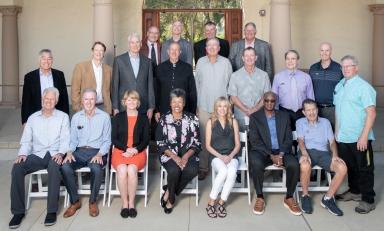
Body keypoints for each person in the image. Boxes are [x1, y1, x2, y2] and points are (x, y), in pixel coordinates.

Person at [9, 87, 70, 228]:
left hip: (55, 154)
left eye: (52, 99)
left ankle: (51, 211)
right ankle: (18, 212)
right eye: (46, 99)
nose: (48, 101)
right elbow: (26, 140)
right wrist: (22, 154)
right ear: (42, 100)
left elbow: (65, 139)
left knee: (54, 168)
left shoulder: (63, 117)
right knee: (17, 168)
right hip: (37, 154)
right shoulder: (32, 118)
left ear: (56, 101)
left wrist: (61, 153)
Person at [334, 55, 377, 214]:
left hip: (359, 137)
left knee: (364, 168)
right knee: (350, 167)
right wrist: (336, 133)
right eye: (343, 66)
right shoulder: (340, 86)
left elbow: (371, 113)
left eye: (349, 66)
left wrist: (364, 136)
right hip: (343, 136)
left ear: (356, 68)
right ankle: (354, 191)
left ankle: (368, 199)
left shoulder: (363, 87)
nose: (345, 69)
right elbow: (338, 111)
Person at [248, 91, 301, 216]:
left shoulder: (284, 116)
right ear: (263, 101)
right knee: (255, 162)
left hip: (281, 151)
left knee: (294, 164)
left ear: (275, 102)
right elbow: (254, 140)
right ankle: (260, 197)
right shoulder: (255, 117)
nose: (269, 103)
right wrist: (271, 155)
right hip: (263, 152)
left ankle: (289, 197)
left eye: (272, 101)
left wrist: (281, 154)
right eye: (267, 100)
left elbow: (288, 138)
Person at [61, 88, 111, 218]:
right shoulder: (76, 117)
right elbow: (72, 140)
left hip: (97, 151)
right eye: (86, 99)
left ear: (96, 100)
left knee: (96, 168)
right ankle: (75, 201)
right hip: (79, 151)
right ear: (82, 101)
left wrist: (100, 154)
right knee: (65, 166)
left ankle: (93, 201)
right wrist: (69, 152)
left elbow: (107, 140)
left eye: (92, 99)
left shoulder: (104, 117)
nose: (89, 102)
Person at [296, 99, 347, 216]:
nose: (311, 112)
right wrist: (304, 153)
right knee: (304, 165)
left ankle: (328, 199)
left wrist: (335, 155)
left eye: (313, 109)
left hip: (323, 153)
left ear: (317, 110)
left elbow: (332, 142)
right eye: (308, 110)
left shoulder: (325, 122)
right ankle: (305, 196)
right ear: (304, 112)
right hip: (307, 151)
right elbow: (301, 140)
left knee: (342, 168)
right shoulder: (300, 122)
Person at [156, 88, 201, 214]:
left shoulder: (192, 119)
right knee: (174, 170)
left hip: (188, 154)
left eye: (180, 102)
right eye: (174, 102)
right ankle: (171, 201)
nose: (177, 105)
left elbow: (197, 142)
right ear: (170, 103)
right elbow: (160, 143)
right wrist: (175, 157)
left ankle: (170, 190)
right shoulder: (164, 120)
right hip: (168, 155)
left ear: (184, 103)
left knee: (192, 169)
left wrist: (185, 156)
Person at [195, 37, 232, 180]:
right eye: (209, 45)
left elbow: (230, 85)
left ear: (219, 48)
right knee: (204, 138)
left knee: (223, 137)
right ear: (206, 48)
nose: (212, 47)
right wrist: (197, 106)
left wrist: (229, 106)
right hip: (203, 106)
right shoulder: (200, 62)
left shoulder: (226, 62)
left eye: (214, 45)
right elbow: (197, 84)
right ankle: (203, 167)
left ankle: (224, 166)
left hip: (221, 108)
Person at [112, 90, 149, 218]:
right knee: (122, 170)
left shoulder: (143, 118)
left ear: (138, 102)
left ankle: (132, 204)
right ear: (124, 102)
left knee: (132, 170)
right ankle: (125, 204)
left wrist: (135, 150)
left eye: (134, 99)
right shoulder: (118, 117)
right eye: (129, 99)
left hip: (138, 151)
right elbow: (114, 139)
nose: (131, 102)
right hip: (120, 150)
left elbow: (146, 140)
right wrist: (126, 149)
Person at [205, 97, 240, 218]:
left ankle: (221, 202)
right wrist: (221, 156)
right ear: (216, 108)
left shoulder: (233, 122)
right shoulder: (211, 122)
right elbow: (208, 146)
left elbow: (237, 145)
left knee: (232, 172)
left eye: (225, 106)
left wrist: (230, 156)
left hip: (232, 155)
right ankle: (211, 202)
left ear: (228, 108)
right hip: (216, 156)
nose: (222, 109)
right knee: (223, 171)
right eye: (220, 106)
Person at [112, 32, 155, 119]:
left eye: (137, 42)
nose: (135, 45)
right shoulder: (119, 60)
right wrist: (115, 107)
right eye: (132, 42)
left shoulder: (148, 62)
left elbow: (150, 85)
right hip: (124, 105)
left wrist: (151, 107)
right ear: (128, 44)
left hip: (143, 105)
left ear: (140, 43)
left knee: (141, 132)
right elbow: (115, 85)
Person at [21, 49, 69, 125]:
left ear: (52, 60)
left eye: (49, 59)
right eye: (43, 58)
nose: (46, 61)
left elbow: (64, 99)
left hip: (56, 115)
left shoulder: (59, 75)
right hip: (37, 115)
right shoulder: (29, 77)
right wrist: (25, 121)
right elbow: (26, 101)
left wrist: (66, 117)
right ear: (39, 60)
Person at [228, 47, 271, 130]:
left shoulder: (264, 75)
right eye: (246, 56)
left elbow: (266, 96)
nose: (249, 58)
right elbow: (233, 97)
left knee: (259, 141)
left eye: (252, 55)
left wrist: (254, 109)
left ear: (256, 58)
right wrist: (246, 110)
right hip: (241, 116)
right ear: (243, 58)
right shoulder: (235, 76)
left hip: (259, 115)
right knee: (242, 141)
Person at [272, 49, 315, 131]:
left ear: (298, 60)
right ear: (285, 60)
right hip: (284, 113)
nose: (290, 61)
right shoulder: (278, 77)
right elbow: (274, 98)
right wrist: (276, 115)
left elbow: (311, 99)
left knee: (302, 138)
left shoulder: (306, 77)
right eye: (288, 59)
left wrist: (310, 114)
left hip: (302, 113)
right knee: (286, 139)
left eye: (293, 59)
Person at [155, 42, 197, 121]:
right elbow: (156, 90)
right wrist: (157, 110)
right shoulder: (160, 68)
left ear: (180, 52)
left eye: (176, 50)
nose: (174, 52)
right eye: (172, 49)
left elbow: (192, 91)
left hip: (184, 109)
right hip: (164, 108)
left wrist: (192, 111)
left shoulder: (187, 68)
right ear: (168, 51)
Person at [71, 41, 112, 114]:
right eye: (96, 50)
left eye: (101, 50)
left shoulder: (108, 69)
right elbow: (75, 89)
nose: (98, 53)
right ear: (92, 51)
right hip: (85, 107)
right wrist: (77, 108)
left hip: (103, 107)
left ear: (104, 53)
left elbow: (111, 90)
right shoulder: (81, 67)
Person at [309, 42, 343, 128]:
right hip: (315, 109)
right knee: (317, 134)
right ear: (319, 52)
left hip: (332, 109)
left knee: (333, 134)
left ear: (331, 52)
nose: (324, 53)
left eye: (327, 50)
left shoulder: (338, 68)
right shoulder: (313, 68)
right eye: (322, 50)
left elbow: (343, 88)